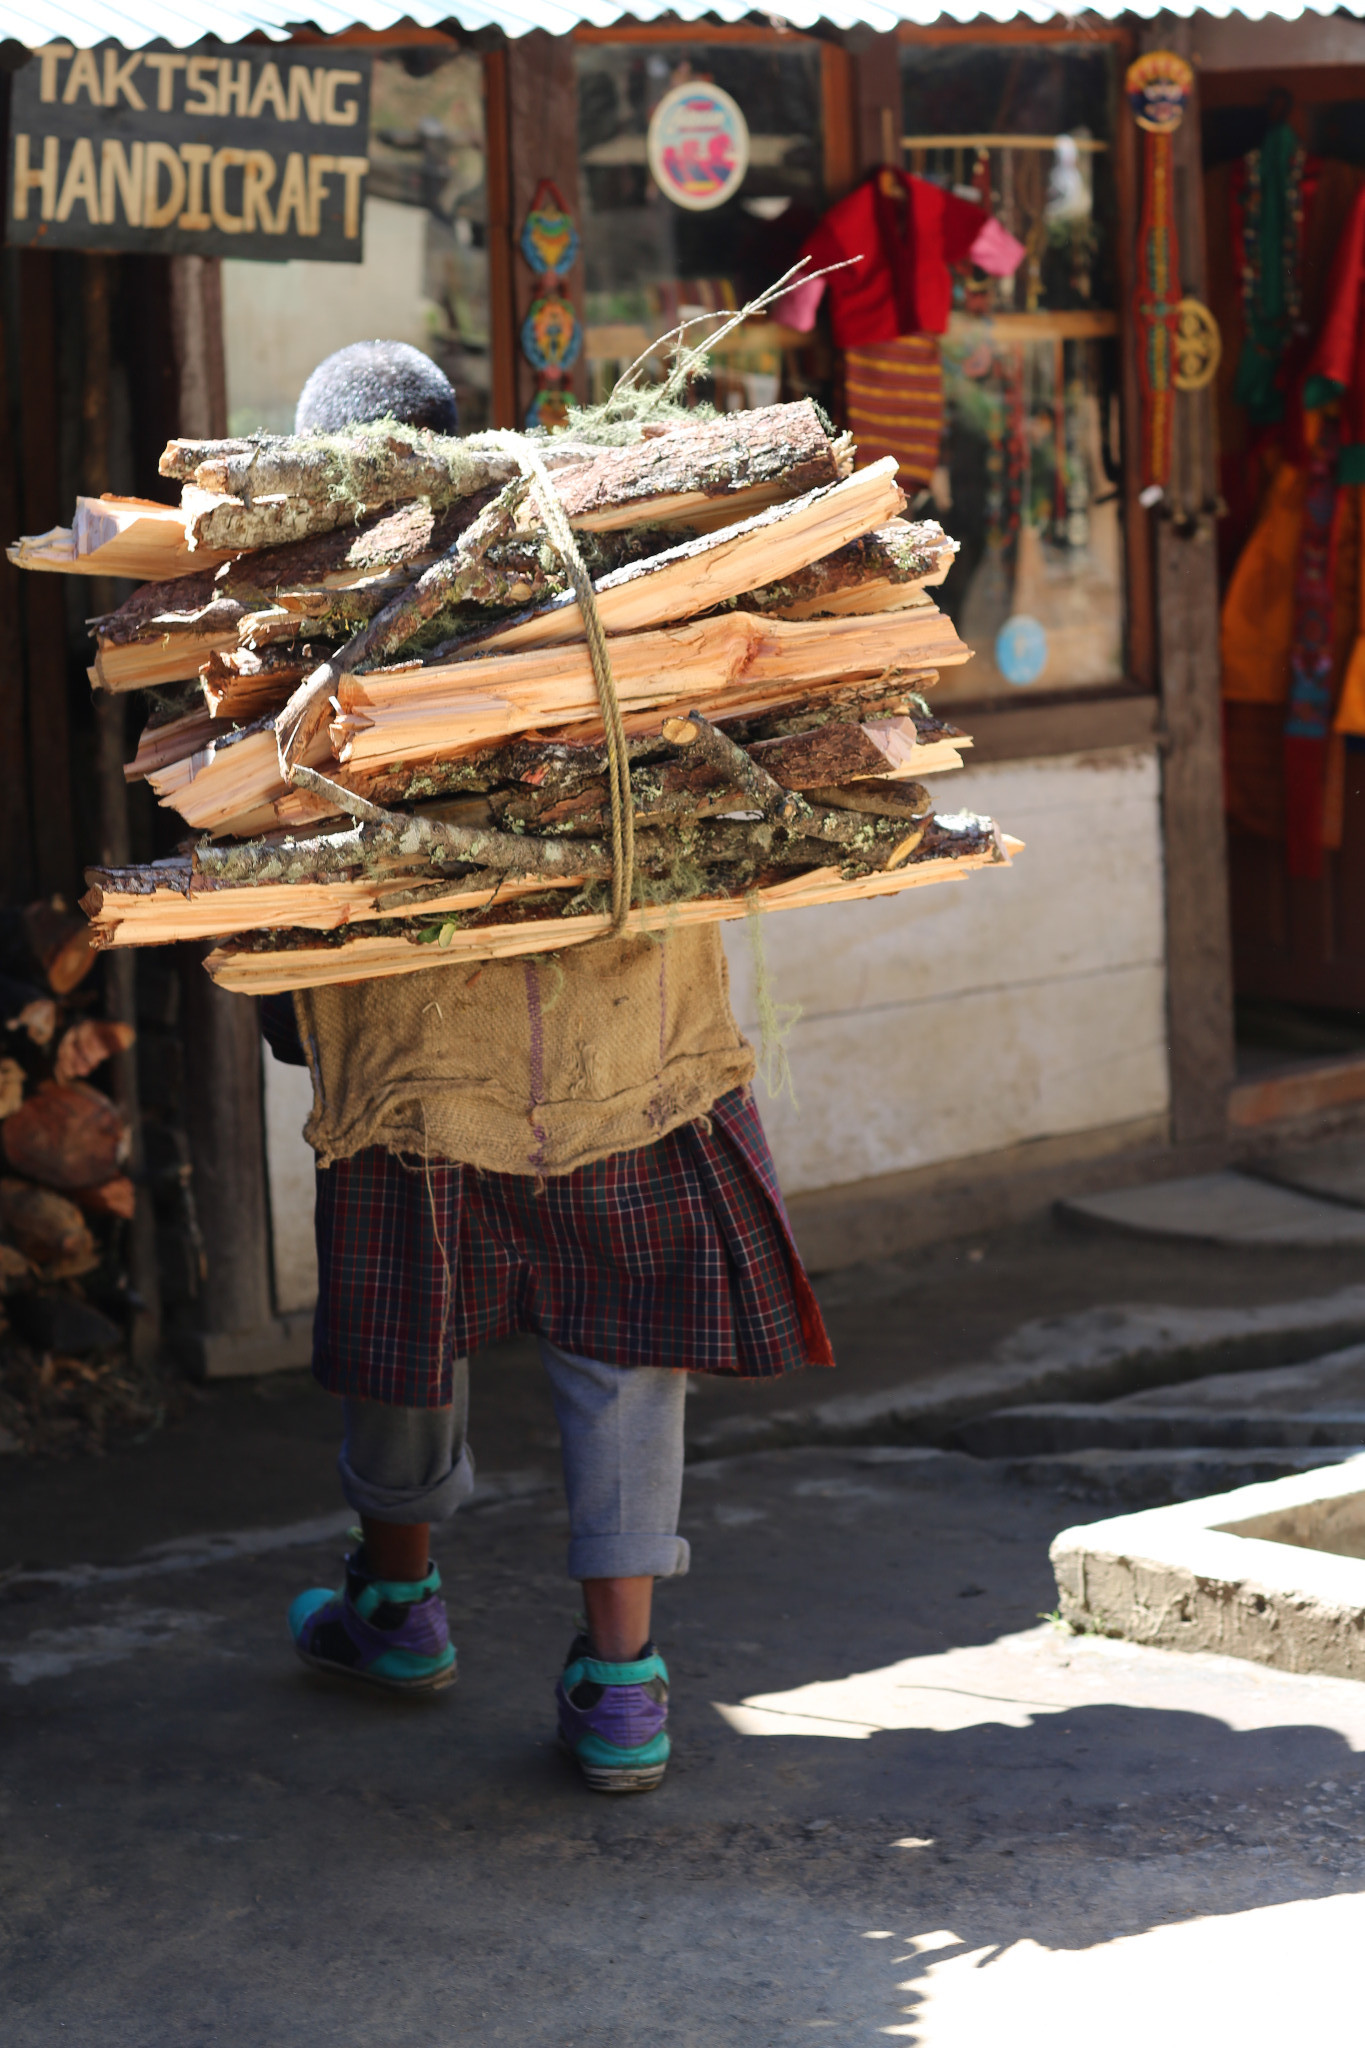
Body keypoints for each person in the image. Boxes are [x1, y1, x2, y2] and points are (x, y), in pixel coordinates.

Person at [276, 341, 835, 1793]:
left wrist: (301, 1033)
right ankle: (625, 1685)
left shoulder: (296, 634)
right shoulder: (613, 577)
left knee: (408, 1355)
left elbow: (273, 906)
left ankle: (394, 1607)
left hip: (422, 1083)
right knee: (622, 1362)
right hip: (628, 1058)